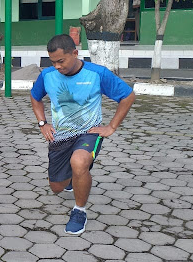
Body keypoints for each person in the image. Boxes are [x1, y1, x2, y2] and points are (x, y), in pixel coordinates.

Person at [30, 34, 135, 235]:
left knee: (79, 163)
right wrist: (43, 123)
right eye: (53, 62)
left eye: (61, 61)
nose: (57, 66)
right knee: (57, 187)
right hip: (61, 136)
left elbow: (128, 96)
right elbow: (35, 98)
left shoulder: (97, 74)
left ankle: (79, 211)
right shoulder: (47, 75)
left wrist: (111, 127)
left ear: (75, 53)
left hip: (89, 133)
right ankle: (74, 177)